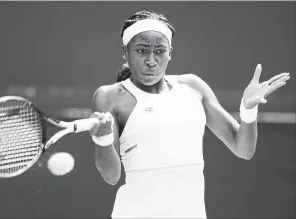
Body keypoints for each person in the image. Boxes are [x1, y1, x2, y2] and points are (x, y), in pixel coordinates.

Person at [88, 10, 290, 218]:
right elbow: (111, 176)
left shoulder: (193, 87)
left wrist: (248, 109)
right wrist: (102, 139)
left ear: (170, 52)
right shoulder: (108, 96)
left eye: (159, 51)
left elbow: (243, 149)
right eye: (141, 51)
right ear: (125, 52)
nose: (151, 60)